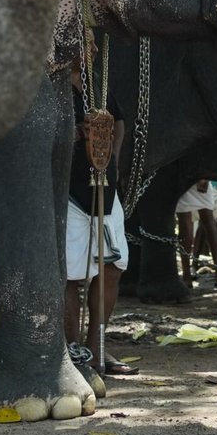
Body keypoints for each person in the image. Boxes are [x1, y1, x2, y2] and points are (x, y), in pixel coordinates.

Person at [64, 74, 137, 376]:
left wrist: (112, 156)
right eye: (87, 40)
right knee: (68, 274)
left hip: (105, 189)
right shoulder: (50, 84)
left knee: (111, 268)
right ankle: (69, 353)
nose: (92, 46)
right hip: (67, 189)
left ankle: (96, 351)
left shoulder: (98, 83)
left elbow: (118, 122)